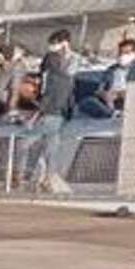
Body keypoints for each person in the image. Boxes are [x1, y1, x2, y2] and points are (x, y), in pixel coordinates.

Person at [29, 29, 79, 191]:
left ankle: (45, 178)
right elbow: (43, 76)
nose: (52, 46)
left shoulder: (74, 59)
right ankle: (43, 179)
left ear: (65, 42)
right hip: (47, 102)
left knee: (44, 144)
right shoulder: (49, 59)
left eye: (55, 43)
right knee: (47, 144)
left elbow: (66, 78)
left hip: (59, 106)